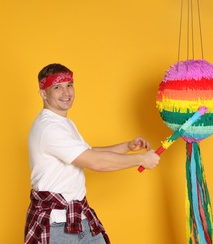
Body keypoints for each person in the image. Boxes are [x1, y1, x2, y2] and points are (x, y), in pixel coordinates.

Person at [24, 63, 160, 244]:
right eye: (57, 87)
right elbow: (94, 162)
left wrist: (127, 146)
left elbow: (87, 153)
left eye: (69, 85)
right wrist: (141, 159)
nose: (66, 93)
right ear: (43, 93)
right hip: (56, 226)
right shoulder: (49, 128)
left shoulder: (62, 122)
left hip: (78, 218)